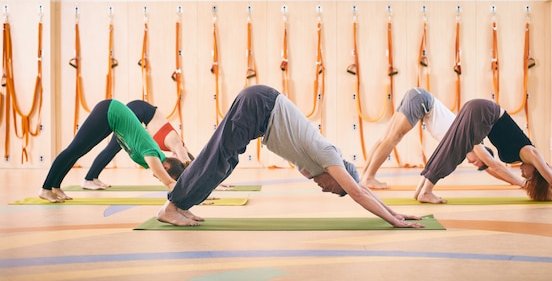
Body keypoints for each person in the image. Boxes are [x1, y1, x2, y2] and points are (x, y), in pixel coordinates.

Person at [156, 84, 424, 228]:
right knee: (217, 161)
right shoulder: (327, 155)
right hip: (259, 106)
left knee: (222, 164)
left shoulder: (315, 166)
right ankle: (172, 207)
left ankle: (181, 205)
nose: (325, 190)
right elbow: (358, 192)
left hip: (258, 109)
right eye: (333, 190)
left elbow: (361, 188)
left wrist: (396, 212)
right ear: (338, 178)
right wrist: (394, 221)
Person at [413, 98, 552, 204]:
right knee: (456, 148)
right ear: (537, 170)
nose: (523, 174)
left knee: (450, 143)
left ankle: (422, 188)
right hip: (485, 111)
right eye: (529, 176)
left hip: (480, 110)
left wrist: (519, 183)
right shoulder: (530, 152)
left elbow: (494, 167)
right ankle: (426, 191)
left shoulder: (522, 156)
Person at [360, 87, 525, 189]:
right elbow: (494, 166)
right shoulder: (475, 141)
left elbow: (489, 168)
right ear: (483, 152)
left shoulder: (463, 143)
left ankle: (365, 176)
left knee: (386, 137)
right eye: (477, 161)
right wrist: (521, 183)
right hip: (422, 101)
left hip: (418, 97)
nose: (470, 162)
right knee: (393, 138)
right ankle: (369, 177)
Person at [39, 99, 186, 203]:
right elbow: (169, 183)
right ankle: (46, 189)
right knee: (73, 150)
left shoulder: (156, 156)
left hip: (112, 119)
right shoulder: (152, 154)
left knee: (78, 152)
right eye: (160, 177)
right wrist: (185, 191)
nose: (157, 178)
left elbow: (166, 177)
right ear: (165, 167)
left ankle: (55, 187)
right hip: (108, 111)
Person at [82, 100, 193, 190]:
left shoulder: (171, 150)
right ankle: (89, 178)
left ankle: (93, 177)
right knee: (112, 148)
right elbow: (188, 162)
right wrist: (195, 183)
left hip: (141, 112)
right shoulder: (177, 144)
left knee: (113, 148)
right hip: (140, 109)